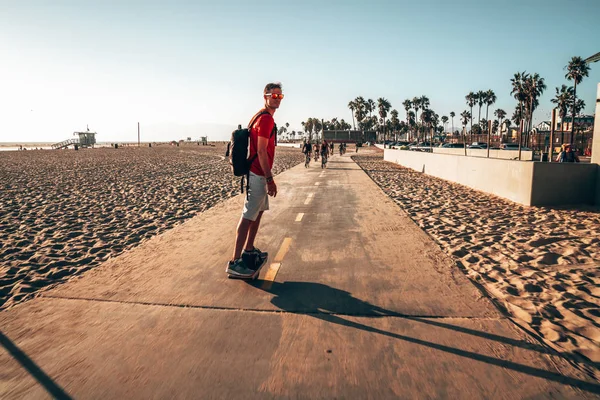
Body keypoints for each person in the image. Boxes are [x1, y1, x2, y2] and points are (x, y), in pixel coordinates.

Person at [227, 82, 283, 278]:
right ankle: (235, 262)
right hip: (258, 174)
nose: (277, 99)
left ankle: (249, 249)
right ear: (265, 96)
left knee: (257, 213)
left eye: (280, 96)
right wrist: (269, 179)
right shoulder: (265, 119)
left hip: (258, 174)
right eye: (273, 95)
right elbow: (260, 151)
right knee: (248, 216)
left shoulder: (260, 117)